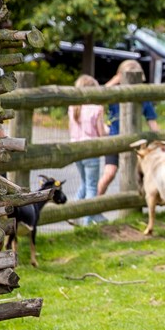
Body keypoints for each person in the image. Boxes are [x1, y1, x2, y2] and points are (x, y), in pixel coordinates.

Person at [97, 59, 161, 196]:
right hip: (114, 139)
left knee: (140, 175)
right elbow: (98, 96)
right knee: (109, 173)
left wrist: (161, 143)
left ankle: (139, 204)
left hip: (136, 142)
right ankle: (94, 205)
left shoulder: (143, 97)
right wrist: (115, 80)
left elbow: (152, 122)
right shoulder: (113, 93)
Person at [68, 74, 108, 225]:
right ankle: (87, 222)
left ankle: (72, 212)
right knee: (91, 186)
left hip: (76, 148)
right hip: (91, 150)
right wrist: (107, 130)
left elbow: (71, 129)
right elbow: (100, 132)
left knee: (85, 183)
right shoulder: (97, 108)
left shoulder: (73, 107)